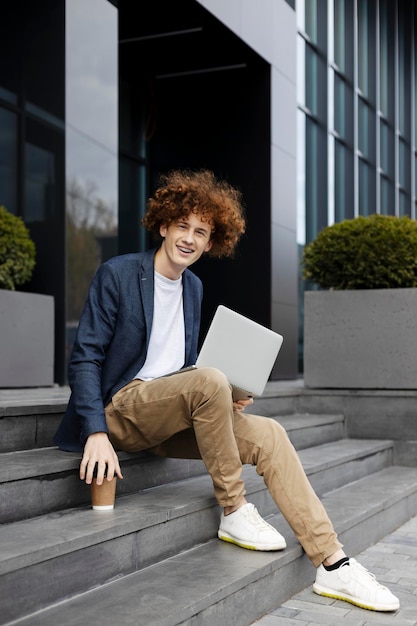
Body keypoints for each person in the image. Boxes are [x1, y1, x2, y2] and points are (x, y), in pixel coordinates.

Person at [54, 169, 399, 613]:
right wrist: (96, 432)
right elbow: (85, 358)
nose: (190, 239)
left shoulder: (193, 288)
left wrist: (223, 394)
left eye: (202, 232)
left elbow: (181, 369)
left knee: (269, 432)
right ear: (163, 225)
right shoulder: (118, 274)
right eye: (182, 226)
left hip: (169, 409)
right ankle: (234, 511)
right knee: (209, 379)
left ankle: (333, 563)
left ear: (211, 241)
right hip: (121, 407)